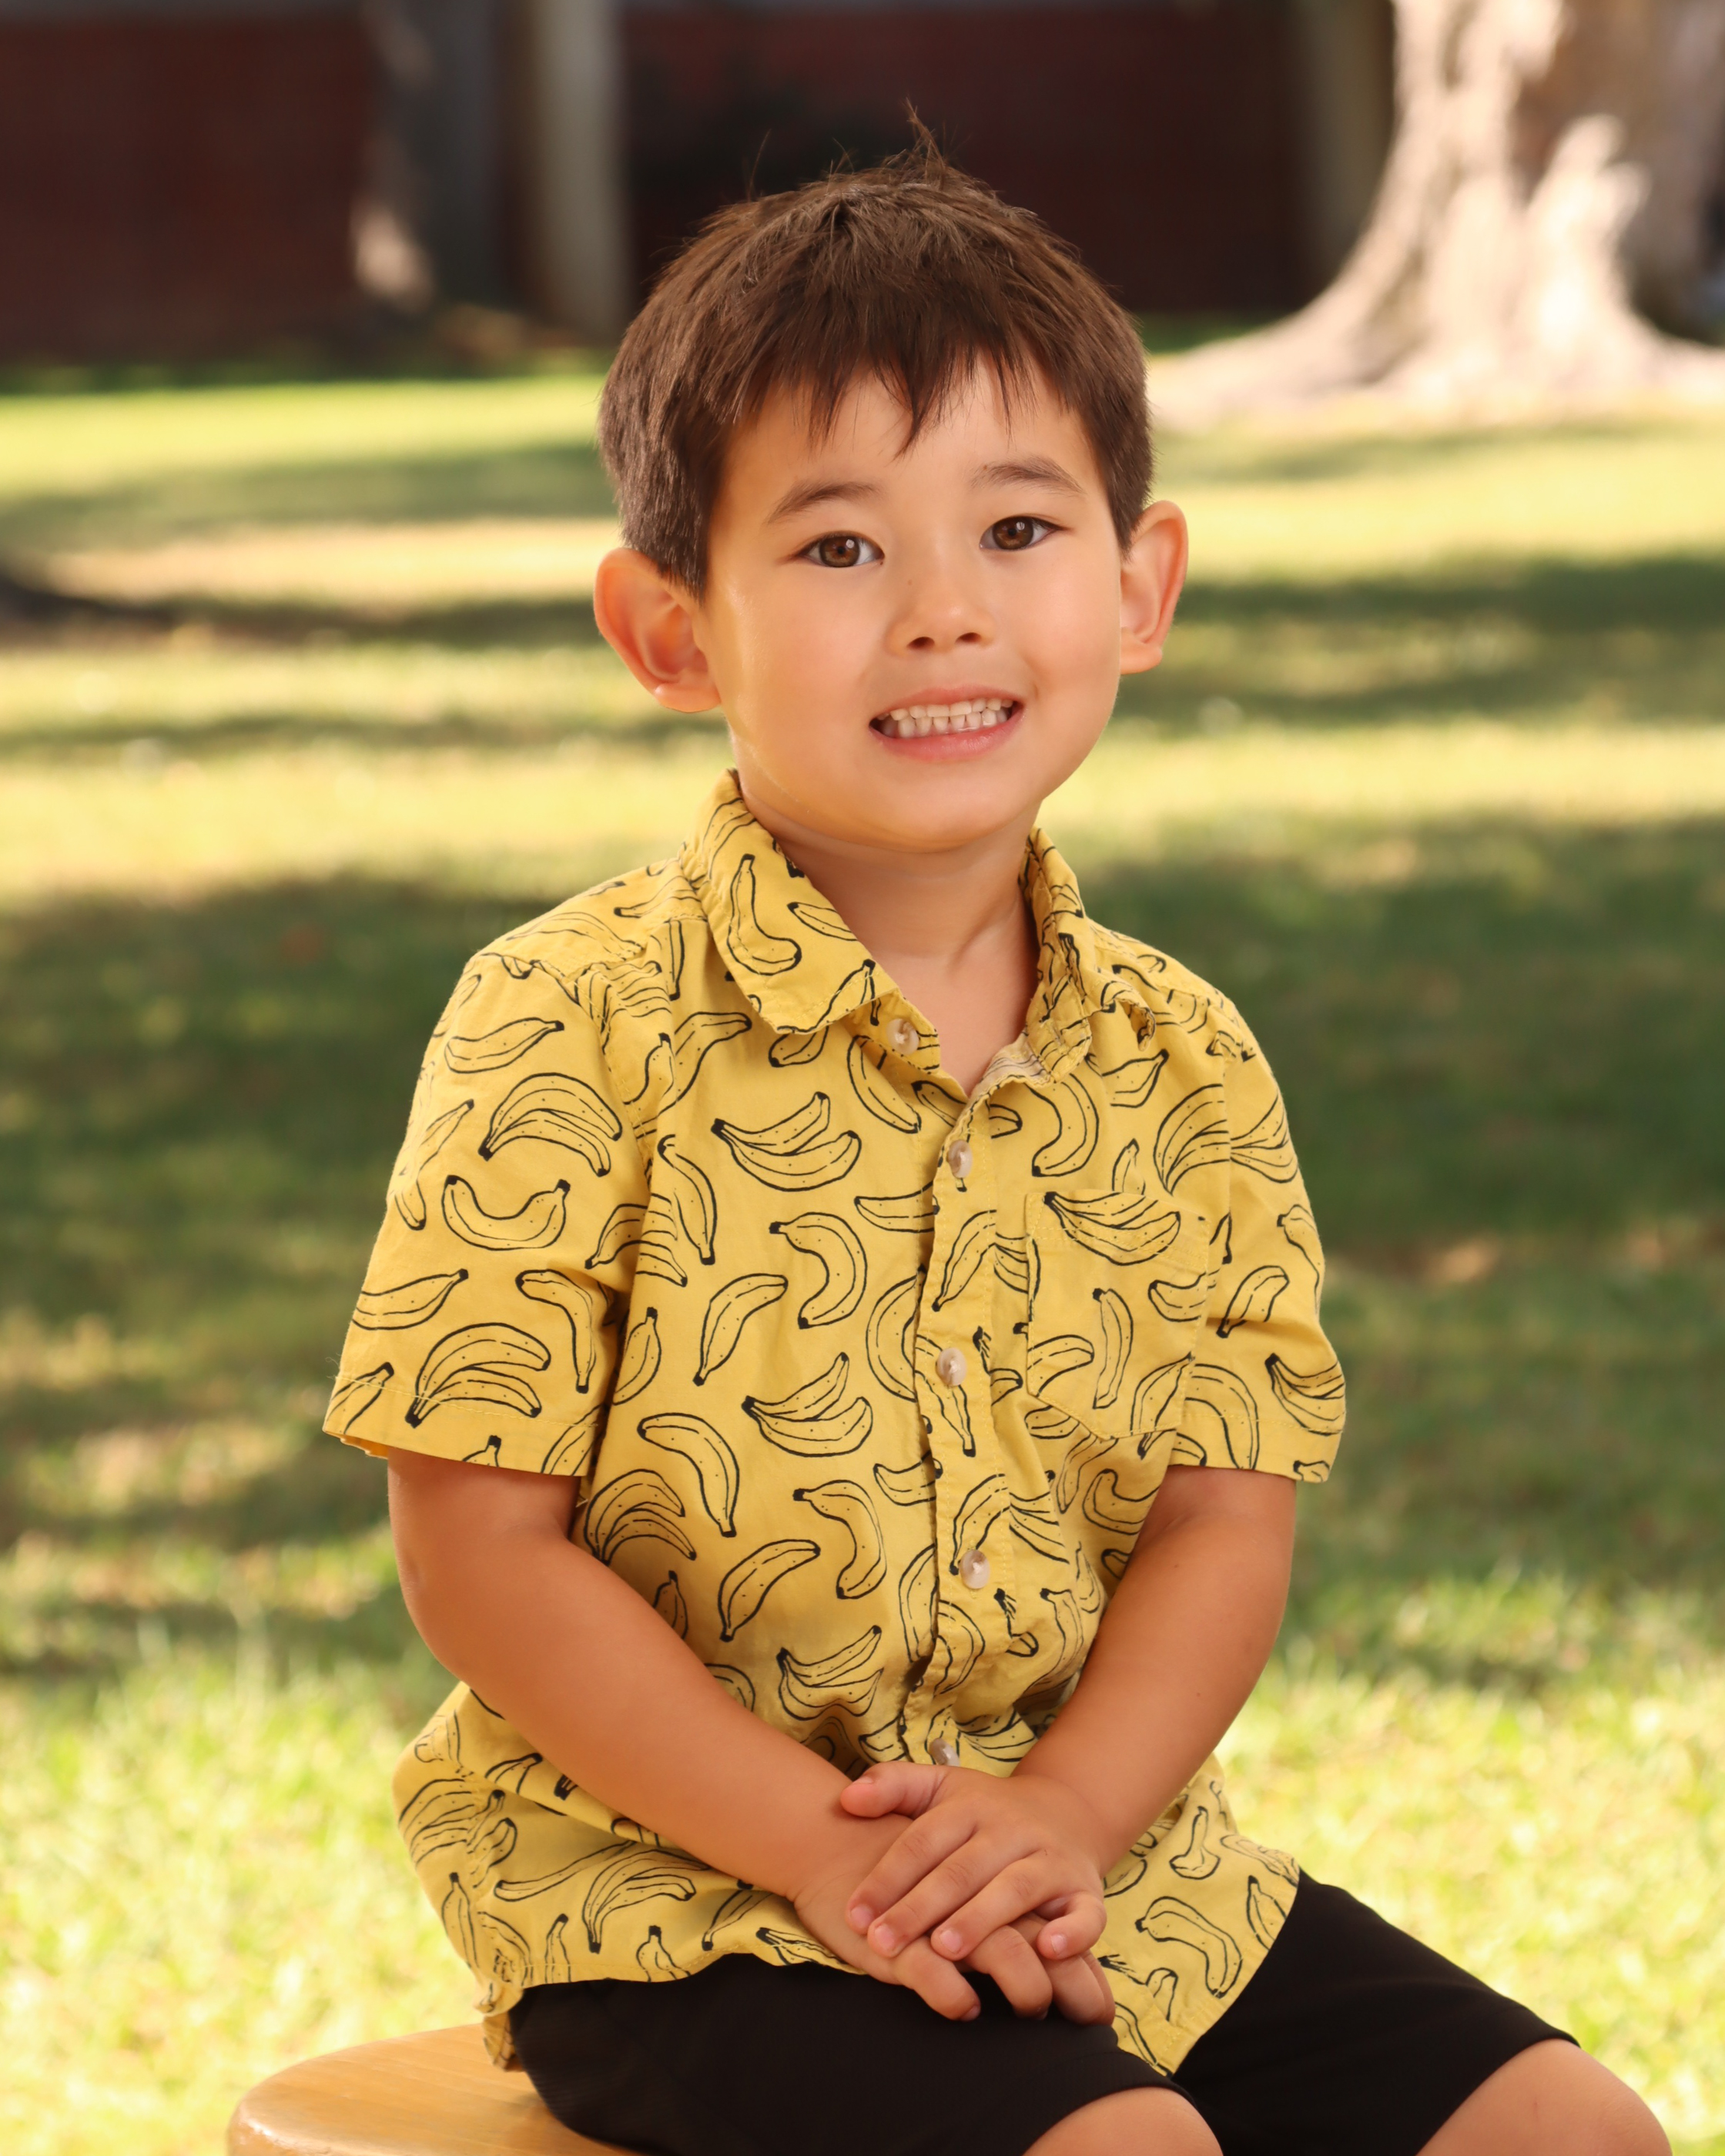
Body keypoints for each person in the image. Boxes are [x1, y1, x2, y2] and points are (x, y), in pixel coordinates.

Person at [325, 144, 1668, 2156]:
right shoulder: (565, 1021)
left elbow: (1222, 1524)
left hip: (1103, 1867)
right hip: (682, 1902)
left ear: (1139, 590)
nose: (945, 613)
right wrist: (826, 1849)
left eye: (1020, 527)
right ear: (668, 631)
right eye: (840, 549)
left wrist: (1063, 1817)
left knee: (1575, 2135)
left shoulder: (1186, 1063)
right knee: (1123, 2153)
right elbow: (478, 1553)